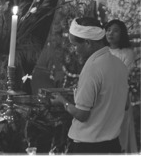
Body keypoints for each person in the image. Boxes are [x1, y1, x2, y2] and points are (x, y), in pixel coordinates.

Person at [50, 17, 129, 154]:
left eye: (75, 45)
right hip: (112, 145)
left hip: (88, 146)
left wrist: (62, 102)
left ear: (87, 42)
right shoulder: (119, 64)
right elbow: (126, 104)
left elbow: (82, 114)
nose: (74, 50)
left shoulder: (92, 68)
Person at [105, 19, 138, 153]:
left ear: (122, 34)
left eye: (115, 30)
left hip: (120, 97)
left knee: (121, 133)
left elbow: (124, 76)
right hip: (103, 98)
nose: (110, 33)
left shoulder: (127, 53)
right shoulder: (102, 51)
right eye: (108, 30)